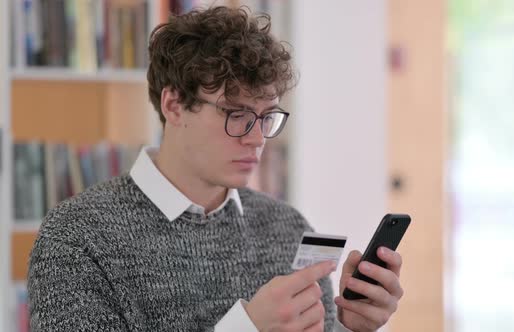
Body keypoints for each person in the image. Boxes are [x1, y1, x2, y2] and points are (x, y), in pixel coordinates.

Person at [27, 6, 404, 332]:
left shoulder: (286, 228)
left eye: (266, 117)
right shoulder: (76, 239)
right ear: (174, 105)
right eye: (237, 114)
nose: (257, 138)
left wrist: (353, 327)